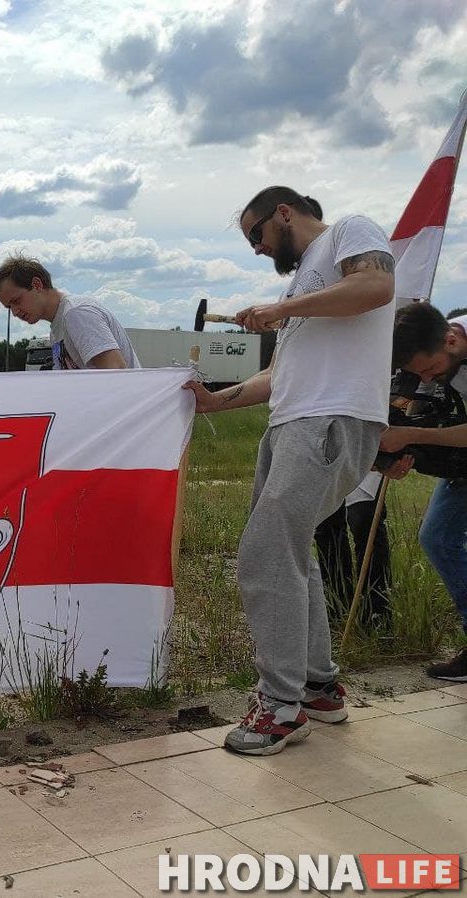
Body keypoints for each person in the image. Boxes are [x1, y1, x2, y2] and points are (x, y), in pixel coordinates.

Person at [184, 187, 395, 755]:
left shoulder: (349, 230)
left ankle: (280, 707)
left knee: (266, 554)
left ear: (284, 213)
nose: (256, 248)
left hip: (329, 420)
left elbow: (377, 286)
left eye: (256, 234)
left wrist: (282, 310)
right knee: (292, 551)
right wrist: (215, 402)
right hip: (292, 423)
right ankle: (317, 687)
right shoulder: (301, 284)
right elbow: (278, 375)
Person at [383, 301, 467, 681]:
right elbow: (401, 415)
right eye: (420, 373)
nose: (428, 378)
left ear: (451, 340)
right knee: (437, 538)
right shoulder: (423, 355)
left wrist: (411, 434)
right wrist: (395, 457)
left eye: (431, 370)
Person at [0, 256, 140, 369]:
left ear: (37, 284)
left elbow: (115, 370)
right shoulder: (57, 327)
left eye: (16, 300)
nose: (15, 312)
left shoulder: (77, 313)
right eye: (9, 307)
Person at [314, 472, 392, 625]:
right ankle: (337, 609)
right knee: (326, 524)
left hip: (367, 461)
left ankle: (376, 615)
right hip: (325, 461)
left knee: (365, 521)